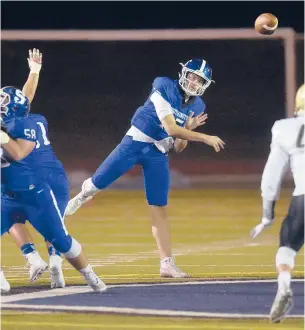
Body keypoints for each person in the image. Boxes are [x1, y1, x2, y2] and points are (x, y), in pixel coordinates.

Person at [66, 59, 225, 278]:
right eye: (192, 76)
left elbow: (178, 146)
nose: (194, 82)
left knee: (159, 207)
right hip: (135, 143)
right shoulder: (164, 85)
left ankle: (167, 264)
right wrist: (204, 137)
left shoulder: (197, 106)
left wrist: (187, 129)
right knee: (96, 185)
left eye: (200, 80)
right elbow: (170, 127)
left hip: (158, 153)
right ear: (184, 74)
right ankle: (80, 197)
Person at [1, 85, 106, 293]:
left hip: (35, 195)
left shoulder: (26, 124)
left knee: (62, 240)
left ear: (12, 109)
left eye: (3, 101)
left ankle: (89, 274)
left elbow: (19, 153)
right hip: (6, 196)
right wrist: (35, 71)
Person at [1, 49, 68, 289]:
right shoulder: (33, 119)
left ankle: (30, 257)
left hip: (22, 175)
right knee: (51, 223)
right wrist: (35, 71)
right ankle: (54, 260)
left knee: (8, 213)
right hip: (52, 174)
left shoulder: (9, 125)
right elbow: (23, 102)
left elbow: (15, 150)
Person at [250, 84, 304, 323]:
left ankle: (283, 287)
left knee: (287, 247)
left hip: (303, 197)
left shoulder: (285, 129)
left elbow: (271, 177)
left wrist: (267, 215)